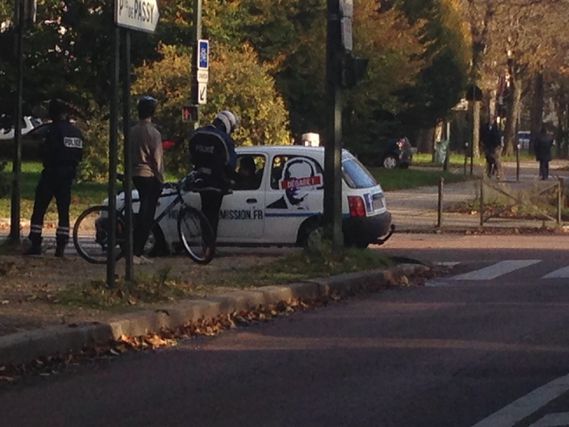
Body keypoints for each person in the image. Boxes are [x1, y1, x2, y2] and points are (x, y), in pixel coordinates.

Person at [24, 99, 84, 257]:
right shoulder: (76, 132)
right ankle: (61, 245)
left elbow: (46, 151)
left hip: (52, 173)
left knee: (40, 208)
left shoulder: (52, 131)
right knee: (63, 211)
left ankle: (35, 242)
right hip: (68, 175)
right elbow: (79, 155)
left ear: (53, 113)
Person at [188, 110, 238, 237]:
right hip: (217, 184)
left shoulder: (197, 134)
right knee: (213, 216)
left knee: (205, 213)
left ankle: (206, 244)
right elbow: (230, 164)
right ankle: (209, 246)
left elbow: (192, 158)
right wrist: (230, 179)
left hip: (201, 183)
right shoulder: (223, 139)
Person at [131, 96, 163, 265]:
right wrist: (161, 179)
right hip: (148, 174)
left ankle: (136, 250)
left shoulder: (132, 131)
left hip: (135, 173)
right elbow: (157, 160)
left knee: (143, 208)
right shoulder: (154, 133)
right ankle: (136, 251)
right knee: (147, 214)